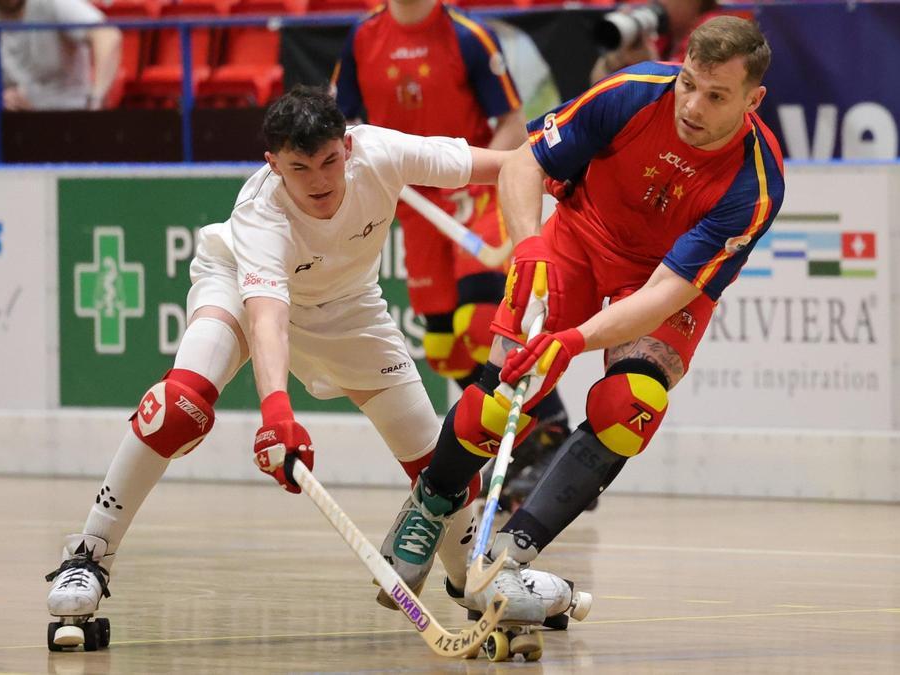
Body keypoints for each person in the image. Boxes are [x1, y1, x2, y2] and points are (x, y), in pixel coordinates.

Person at [42, 87, 577, 650]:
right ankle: (88, 556)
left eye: (329, 161)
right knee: (181, 405)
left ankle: (477, 574)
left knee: (441, 460)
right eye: (300, 168)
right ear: (273, 165)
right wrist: (277, 410)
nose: (320, 181)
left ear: (347, 145)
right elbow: (267, 318)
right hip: (237, 286)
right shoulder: (260, 215)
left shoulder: (380, 151)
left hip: (351, 308)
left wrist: (564, 171)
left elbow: (508, 163)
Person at [380, 16, 785, 624]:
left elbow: (667, 291)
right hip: (577, 239)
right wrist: (528, 246)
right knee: (505, 388)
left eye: (717, 96)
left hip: (658, 283)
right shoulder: (631, 92)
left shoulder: (756, 183)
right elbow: (523, 164)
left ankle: (509, 557)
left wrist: (574, 340)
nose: (694, 107)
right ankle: (430, 503)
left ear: (753, 100)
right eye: (689, 85)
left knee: (631, 408)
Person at [332, 0, 575, 512]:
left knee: (479, 319)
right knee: (443, 345)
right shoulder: (362, 39)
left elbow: (511, 119)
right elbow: (344, 124)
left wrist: (492, 173)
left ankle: (549, 426)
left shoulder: (468, 37)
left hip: (472, 192)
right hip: (414, 204)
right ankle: (516, 431)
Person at [0, 0, 121, 110]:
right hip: (6, 128)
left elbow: (108, 36)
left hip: (70, 121)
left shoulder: (55, 4)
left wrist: (96, 98)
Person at [591, 0, 752, 83]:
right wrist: (612, 61)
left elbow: (692, 106)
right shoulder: (660, 32)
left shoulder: (718, 31)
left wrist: (650, 65)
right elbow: (595, 86)